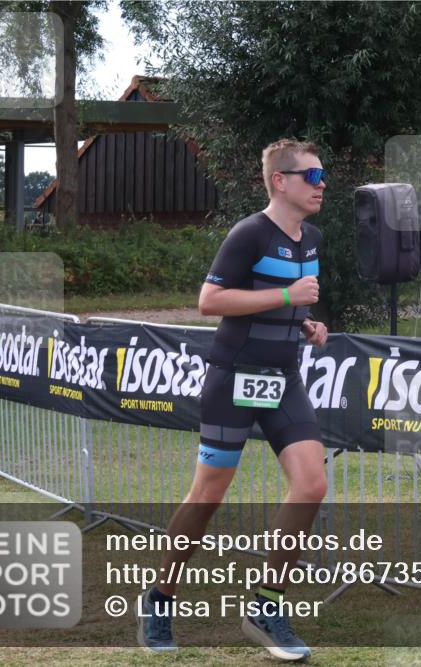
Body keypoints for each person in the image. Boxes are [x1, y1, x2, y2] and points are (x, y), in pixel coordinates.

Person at [139, 139, 330, 661]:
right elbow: (210, 301)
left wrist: (306, 323)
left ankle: (267, 605)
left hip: (283, 379)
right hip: (233, 379)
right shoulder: (248, 233)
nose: (321, 185)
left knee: (311, 484)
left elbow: (284, 301)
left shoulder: (310, 237)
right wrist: (288, 298)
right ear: (280, 181)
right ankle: (159, 598)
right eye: (312, 176)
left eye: (322, 176)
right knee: (206, 499)